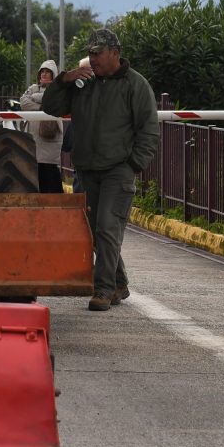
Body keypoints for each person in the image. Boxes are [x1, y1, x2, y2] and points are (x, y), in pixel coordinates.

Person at [41, 28, 158, 312]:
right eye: (90, 54)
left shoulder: (135, 85)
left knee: (107, 227)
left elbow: (149, 130)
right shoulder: (83, 84)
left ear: (115, 53)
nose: (92, 59)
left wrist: (133, 165)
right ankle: (119, 282)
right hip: (87, 170)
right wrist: (64, 80)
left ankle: (103, 289)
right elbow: (50, 107)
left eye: (98, 53)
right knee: (95, 232)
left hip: (118, 170)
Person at [20, 59, 65, 193]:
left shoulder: (59, 90)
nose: (44, 74)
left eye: (48, 72)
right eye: (42, 72)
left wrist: (36, 97)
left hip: (50, 138)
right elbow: (23, 103)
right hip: (33, 138)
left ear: (54, 75)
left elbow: (55, 100)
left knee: (50, 171)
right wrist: (41, 106)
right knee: (35, 170)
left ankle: (56, 204)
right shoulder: (32, 88)